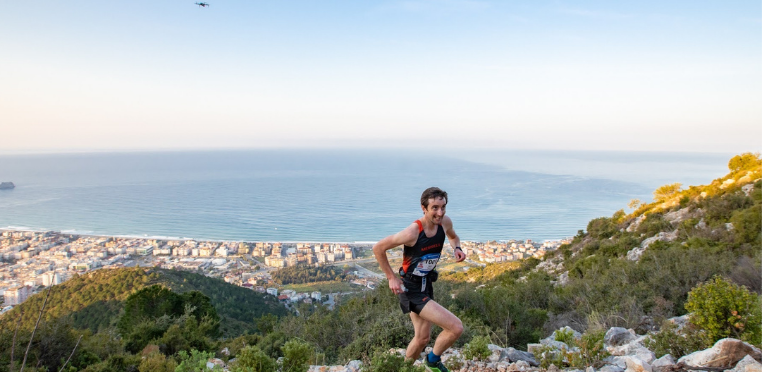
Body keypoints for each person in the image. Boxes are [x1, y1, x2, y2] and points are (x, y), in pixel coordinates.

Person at [373, 187, 466, 372]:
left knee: (422, 338)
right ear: (424, 208)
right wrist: (391, 278)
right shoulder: (413, 232)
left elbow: (453, 237)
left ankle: (404, 369)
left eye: (443, 207)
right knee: (456, 327)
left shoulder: (445, 222)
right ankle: (432, 361)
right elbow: (378, 248)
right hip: (410, 288)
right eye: (435, 208)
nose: (440, 212)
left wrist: (457, 248)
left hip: (426, 284)